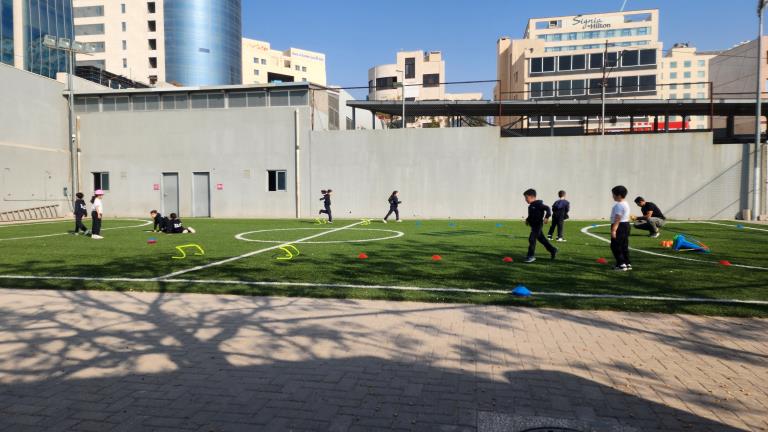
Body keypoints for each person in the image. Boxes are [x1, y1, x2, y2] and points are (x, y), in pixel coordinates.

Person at [523, 188, 558, 263]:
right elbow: (531, 215)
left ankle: (530, 256)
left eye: (526, 198)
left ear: (532, 197)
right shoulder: (530, 206)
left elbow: (548, 209)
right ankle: (553, 250)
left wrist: (546, 217)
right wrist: (528, 220)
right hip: (533, 226)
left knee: (532, 239)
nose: (525, 200)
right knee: (542, 240)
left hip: (538, 225)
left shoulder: (539, 204)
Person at [610, 185, 632, 271]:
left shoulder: (619, 205)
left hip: (620, 226)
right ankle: (627, 263)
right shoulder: (625, 203)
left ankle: (621, 264)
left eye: (613, 194)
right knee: (624, 245)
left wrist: (614, 230)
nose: (612, 196)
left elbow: (618, 218)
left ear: (618, 195)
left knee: (615, 246)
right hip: (626, 225)